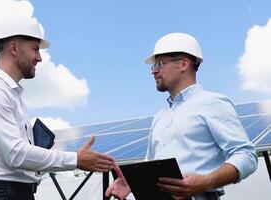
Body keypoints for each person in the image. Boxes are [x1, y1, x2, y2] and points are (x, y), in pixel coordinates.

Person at [0, 16, 115, 200]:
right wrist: (76, 160)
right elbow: (16, 154)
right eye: (35, 49)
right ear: (14, 48)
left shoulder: (10, 94)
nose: (39, 58)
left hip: (13, 193)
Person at [106, 33, 258, 200]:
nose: (154, 71)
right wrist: (131, 182)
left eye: (160, 64)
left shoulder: (213, 103)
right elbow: (151, 165)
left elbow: (246, 155)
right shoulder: (160, 118)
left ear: (184, 64)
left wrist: (206, 181)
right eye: (154, 66)